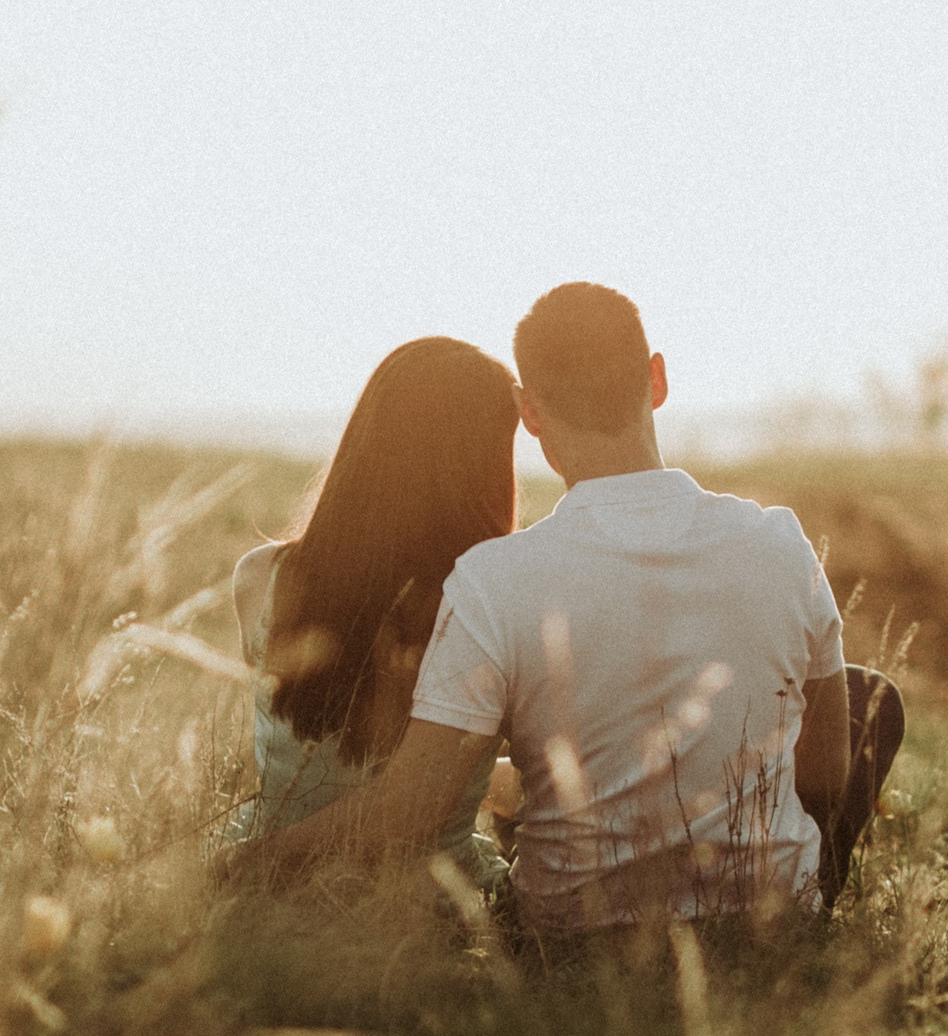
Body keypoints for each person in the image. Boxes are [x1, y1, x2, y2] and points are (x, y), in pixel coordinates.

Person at [252, 283, 904, 927]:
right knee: (866, 696)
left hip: (573, 930)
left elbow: (411, 807)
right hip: (767, 919)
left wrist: (242, 862)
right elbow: (825, 778)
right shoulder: (781, 543)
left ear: (529, 413)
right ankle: (790, 893)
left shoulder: (494, 579)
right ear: (657, 379)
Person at [222, 336, 521, 889]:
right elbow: (417, 787)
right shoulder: (490, 599)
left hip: (275, 888)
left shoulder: (261, 577)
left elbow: (330, 764)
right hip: (426, 898)